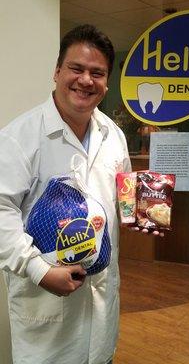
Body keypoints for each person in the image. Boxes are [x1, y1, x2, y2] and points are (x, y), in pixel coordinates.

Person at [0, 24, 131, 364]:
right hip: (46, 313)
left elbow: (123, 194)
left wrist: (140, 211)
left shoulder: (113, 135)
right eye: (77, 68)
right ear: (57, 71)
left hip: (100, 304)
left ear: (106, 82)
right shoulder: (20, 136)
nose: (86, 80)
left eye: (97, 73)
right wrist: (37, 270)